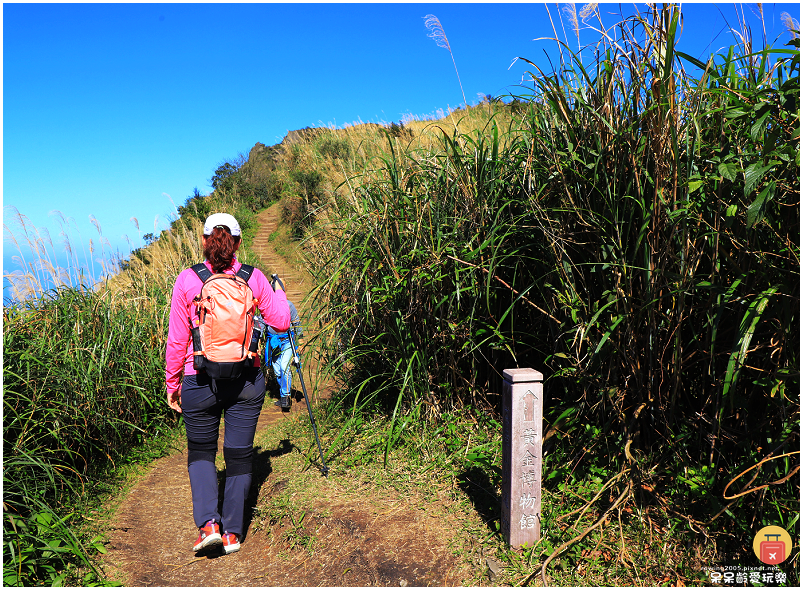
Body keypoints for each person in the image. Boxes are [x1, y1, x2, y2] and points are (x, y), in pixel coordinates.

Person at [165, 212, 290, 555]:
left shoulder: (188, 280)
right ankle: (233, 533)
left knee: (202, 454)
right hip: (246, 379)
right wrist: (278, 292)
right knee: (238, 457)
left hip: (198, 378)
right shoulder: (253, 277)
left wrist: (172, 382)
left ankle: (208, 525)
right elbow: (280, 322)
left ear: (205, 240)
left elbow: (177, 340)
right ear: (236, 243)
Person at [267, 295, 302, 410]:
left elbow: (296, 321)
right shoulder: (267, 304)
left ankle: (285, 397)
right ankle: (283, 394)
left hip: (287, 341)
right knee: (277, 371)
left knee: (284, 367)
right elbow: (261, 323)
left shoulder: (288, 304)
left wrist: (300, 341)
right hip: (273, 342)